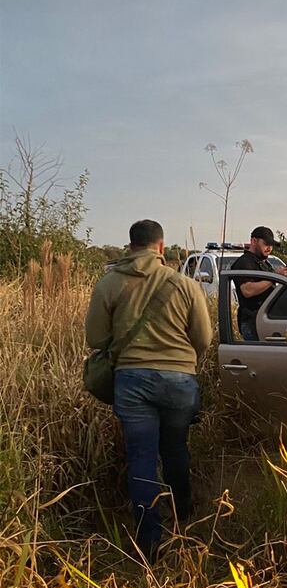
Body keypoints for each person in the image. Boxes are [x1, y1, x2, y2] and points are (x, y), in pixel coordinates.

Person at [85, 219, 212, 562]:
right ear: (160, 246)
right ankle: (183, 516)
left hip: (131, 380)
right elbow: (203, 339)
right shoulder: (184, 285)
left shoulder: (109, 283)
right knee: (175, 449)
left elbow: (95, 339)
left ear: (130, 246)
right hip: (178, 380)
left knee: (141, 457)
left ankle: (149, 542)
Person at [231, 226, 287, 340]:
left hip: (264, 320)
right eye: (266, 244)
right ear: (254, 241)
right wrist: (275, 277)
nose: (269, 248)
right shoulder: (244, 263)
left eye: (271, 245)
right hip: (252, 322)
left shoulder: (264, 263)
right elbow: (247, 290)